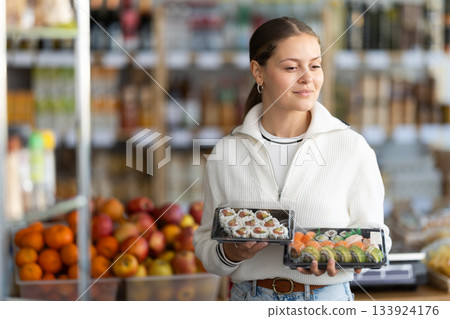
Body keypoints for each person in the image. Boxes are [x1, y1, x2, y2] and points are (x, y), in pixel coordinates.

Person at [193, 17, 391, 301]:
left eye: (315, 65)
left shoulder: (352, 148)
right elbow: (205, 247)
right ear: (258, 72)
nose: (307, 78)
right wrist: (230, 252)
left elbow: (378, 237)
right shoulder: (227, 152)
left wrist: (351, 259)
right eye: (291, 67)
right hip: (249, 298)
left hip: (326, 299)